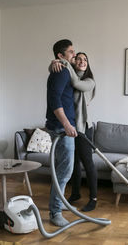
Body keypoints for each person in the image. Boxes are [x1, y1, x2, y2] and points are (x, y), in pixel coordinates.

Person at [50, 52, 97, 211]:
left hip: (83, 128)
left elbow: (77, 83)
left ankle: (93, 198)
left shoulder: (89, 81)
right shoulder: (67, 76)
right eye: (79, 59)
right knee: (74, 163)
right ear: (74, 61)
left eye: (85, 59)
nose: (82, 61)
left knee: (87, 163)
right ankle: (75, 193)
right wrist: (54, 64)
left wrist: (64, 63)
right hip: (70, 127)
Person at [45, 39, 77, 227]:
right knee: (65, 171)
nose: (74, 54)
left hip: (61, 125)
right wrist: (66, 124)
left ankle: (57, 204)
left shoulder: (64, 70)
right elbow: (54, 100)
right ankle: (55, 212)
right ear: (60, 55)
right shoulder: (61, 71)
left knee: (62, 170)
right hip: (60, 127)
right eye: (71, 52)